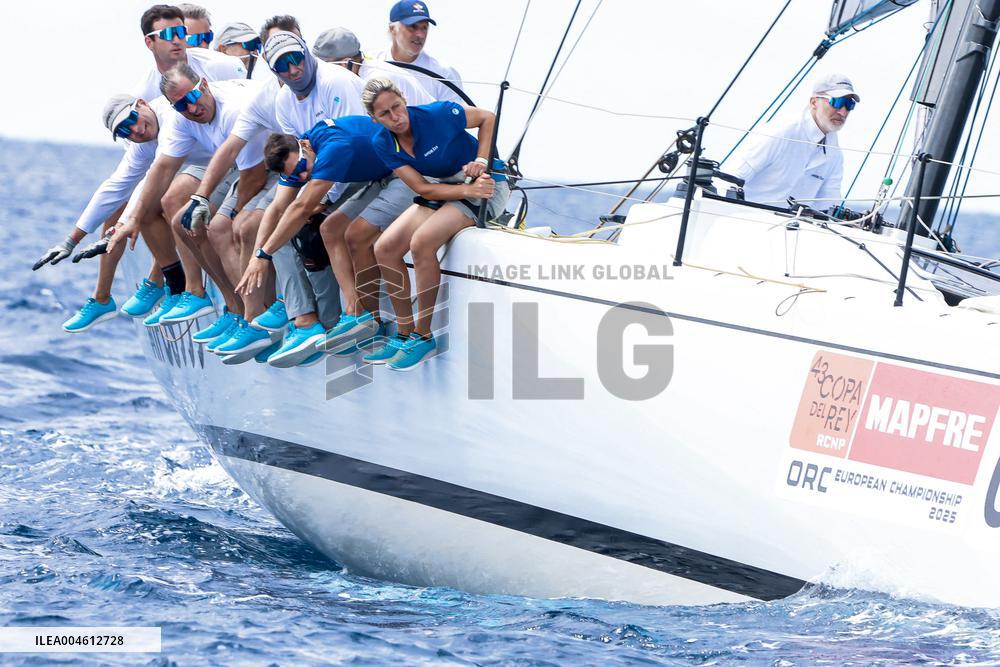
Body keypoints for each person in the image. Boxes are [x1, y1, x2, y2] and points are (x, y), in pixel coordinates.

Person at [108, 66, 271, 363]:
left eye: (194, 97)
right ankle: (234, 309)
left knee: (223, 227)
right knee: (184, 222)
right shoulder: (184, 119)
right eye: (181, 105)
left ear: (205, 84)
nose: (192, 108)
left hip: (275, 161)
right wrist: (131, 218)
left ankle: (255, 319)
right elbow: (162, 167)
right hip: (238, 168)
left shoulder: (234, 107)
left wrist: (229, 212)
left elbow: (254, 176)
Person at [363, 78, 510, 370]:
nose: (396, 117)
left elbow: (487, 117)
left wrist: (481, 159)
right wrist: (465, 191)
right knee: (385, 248)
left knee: (421, 243)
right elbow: (423, 188)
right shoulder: (383, 142)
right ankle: (404, 333)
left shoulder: (438, 114)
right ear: (374, 118)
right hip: (449, 189)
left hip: (486, 186)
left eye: (397, 107)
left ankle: (423, 335)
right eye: (385, 114)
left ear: (404, 101)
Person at [729, 73, 860, 209]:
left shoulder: (835, 154)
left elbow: (828, 205)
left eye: (849, 105)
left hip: (791, 226)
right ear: (814, 102)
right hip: (747, 218)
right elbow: (731, 178)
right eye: (837, 102)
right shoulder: (782, 131)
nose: (843, 112)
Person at [374, 1, 465, 104]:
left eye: (424, 28)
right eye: (413, 27)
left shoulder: (443, 72)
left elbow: (454, 117)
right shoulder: (371, 63)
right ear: (392, 29)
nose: (421, 35)